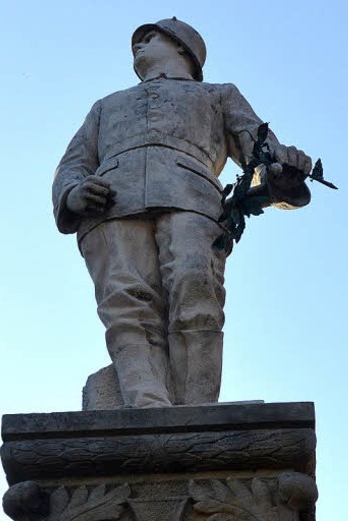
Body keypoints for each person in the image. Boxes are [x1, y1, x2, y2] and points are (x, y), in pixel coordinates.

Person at [53, 17, 311, 407]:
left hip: (192, 198)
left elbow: (261, 154)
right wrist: (73, 193)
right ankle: (146, 405)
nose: (138, 47)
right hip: (110, 205)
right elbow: (73, 164)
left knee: (196, 294)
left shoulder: (218, 95)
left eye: (150, 38)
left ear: (182, 48)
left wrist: (283, 171)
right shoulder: (105, 107)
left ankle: (195, 411)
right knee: (126, 304)